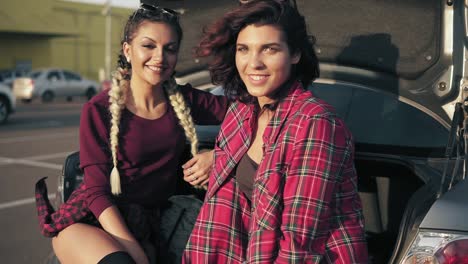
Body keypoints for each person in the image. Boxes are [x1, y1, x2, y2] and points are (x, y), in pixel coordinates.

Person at [34, 1, 228, 263]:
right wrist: (135, 252)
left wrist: (218, 155)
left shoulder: (186, 99)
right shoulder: (99, 109)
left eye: (169, 49)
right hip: (93, 222)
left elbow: (251, 113)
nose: (159, 57)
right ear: (128, 50)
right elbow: (96, 193)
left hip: (145, 222)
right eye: (148, 46)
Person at [183, 0, 368, 263]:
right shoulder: (241, 111)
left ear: (294, 54)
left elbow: (299, 242)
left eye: (269, 49)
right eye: (243, 49)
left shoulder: (315, 123)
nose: (254, 63)